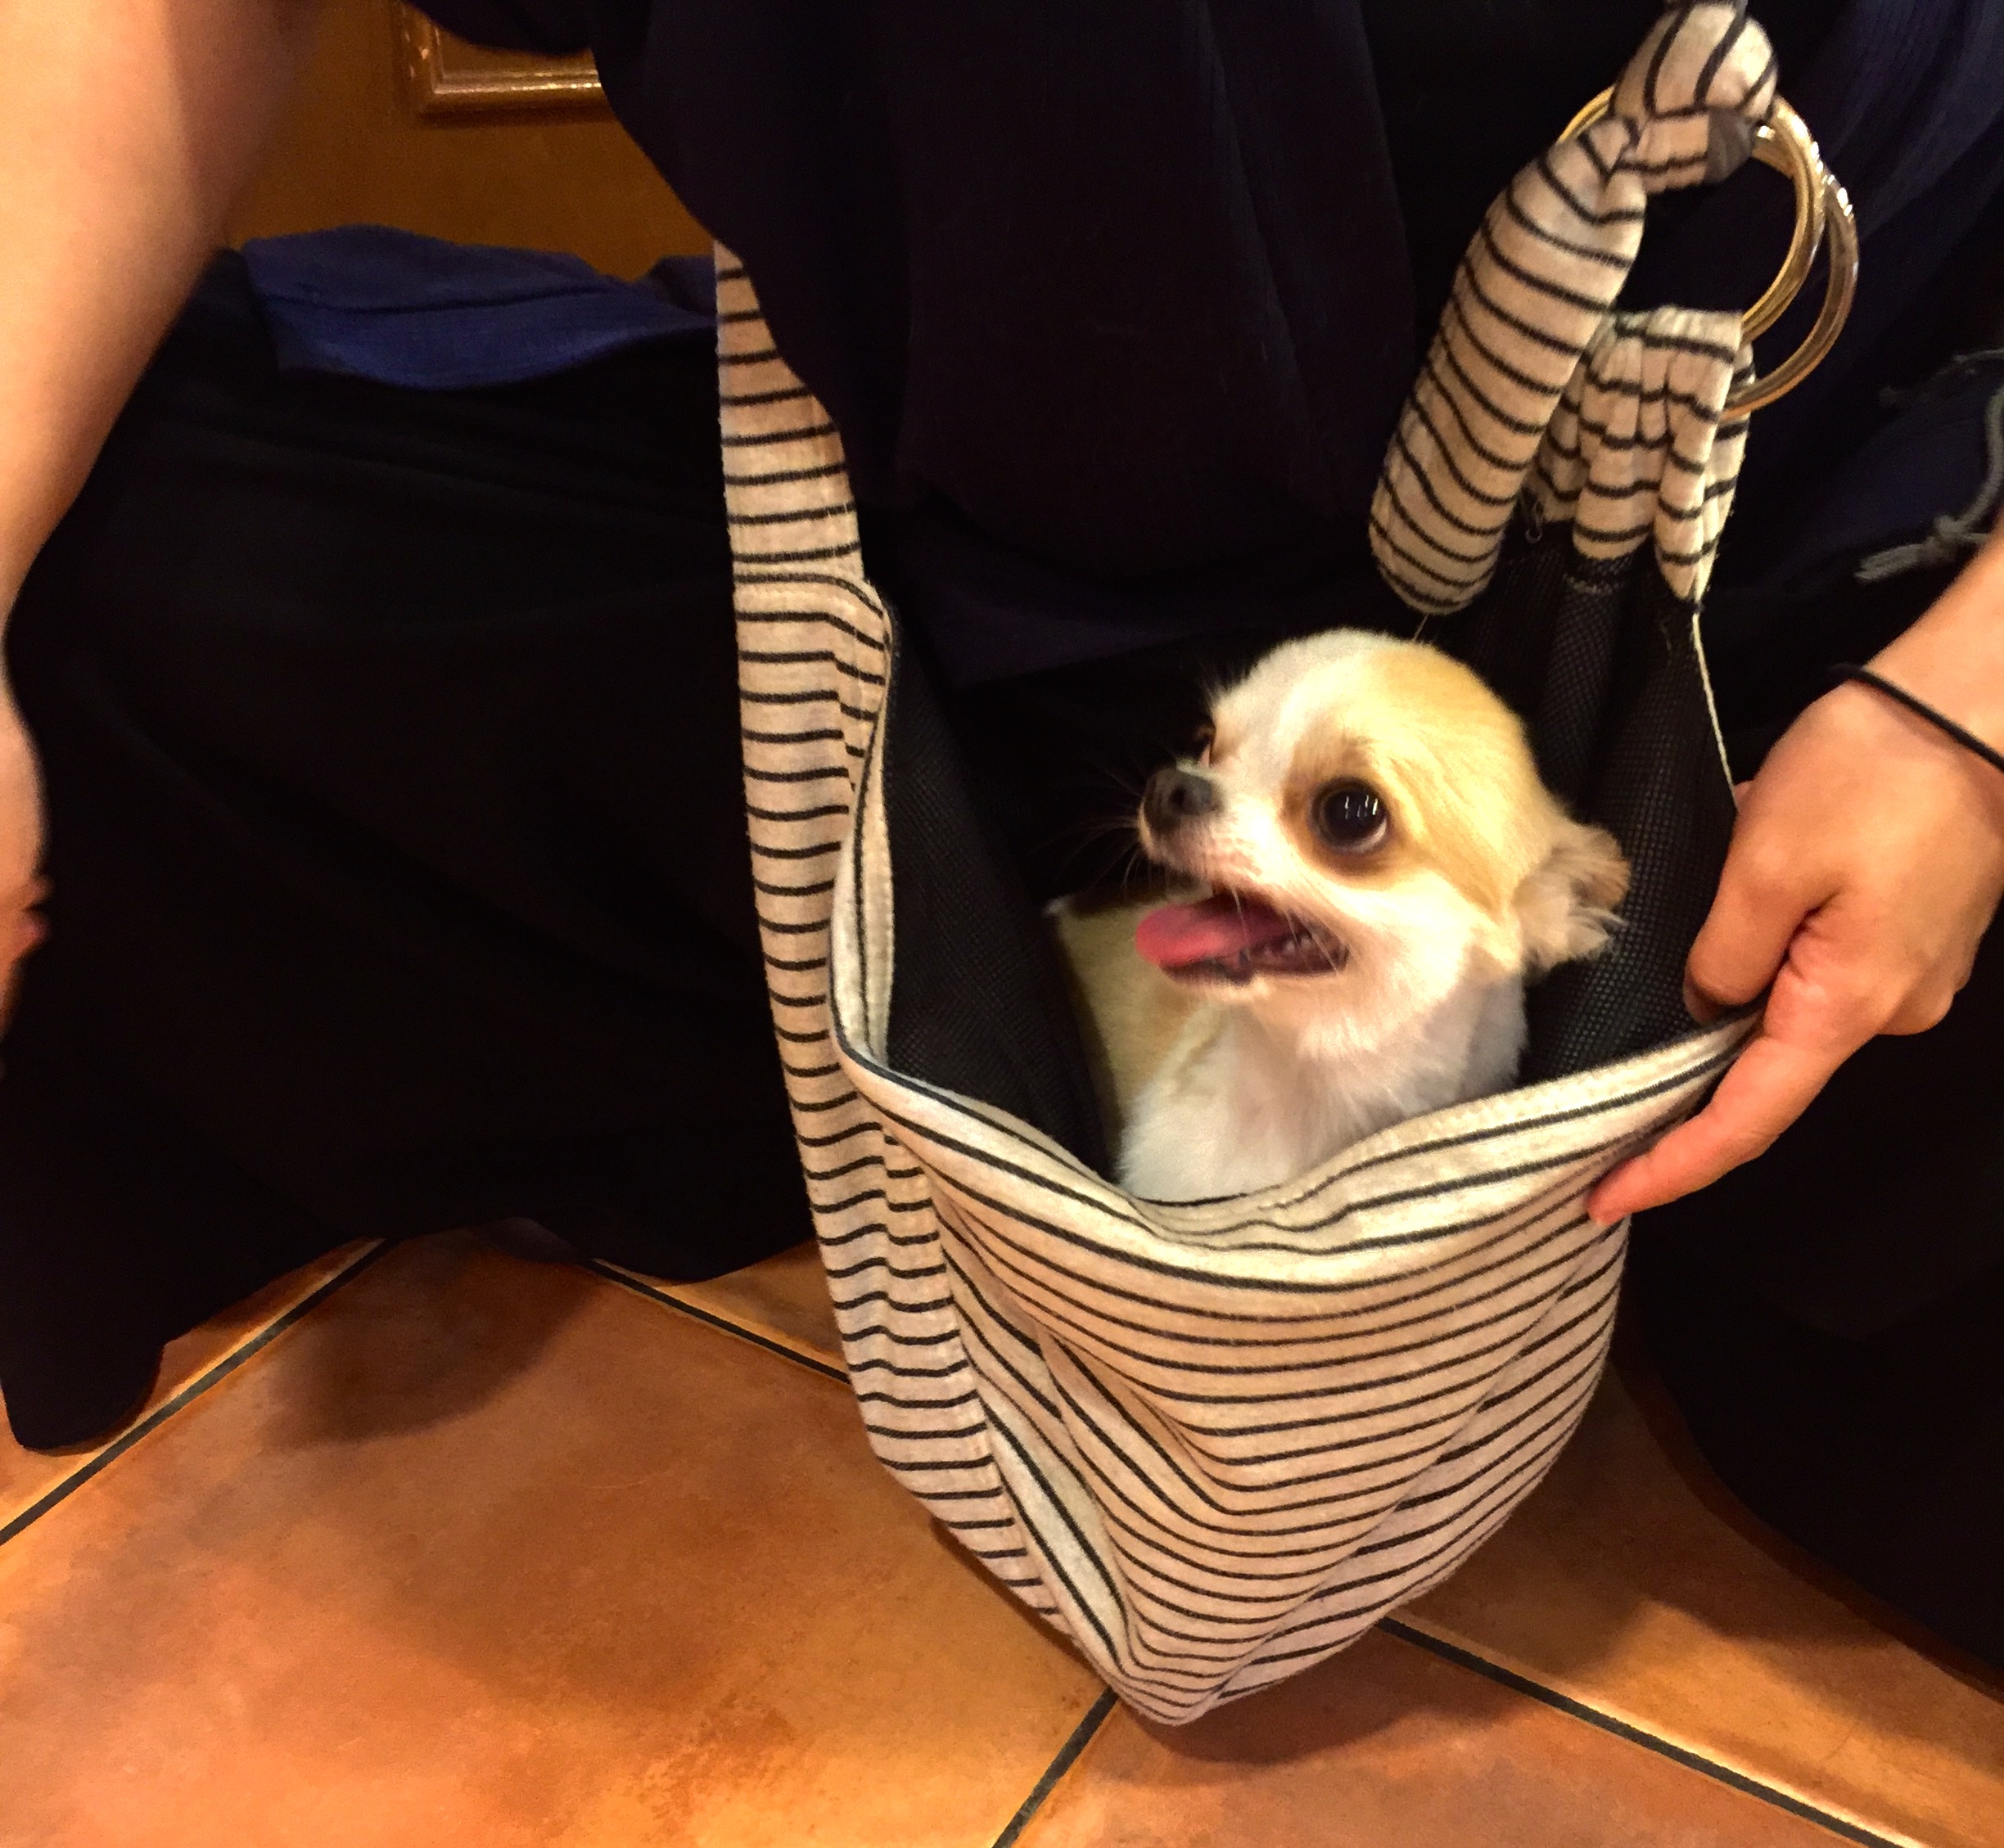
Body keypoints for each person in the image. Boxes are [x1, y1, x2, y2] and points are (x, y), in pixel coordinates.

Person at [1, 0, 2000, 1662]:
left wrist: (1966, 718)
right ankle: (926, 1057)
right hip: (981, 578)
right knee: (120, 585)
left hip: (1801, 585)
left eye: (1342, 821)